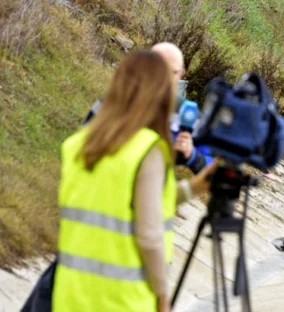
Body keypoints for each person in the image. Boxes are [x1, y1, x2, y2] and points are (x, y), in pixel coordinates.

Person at [52, 50, 218, 312]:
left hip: (70, 295)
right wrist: (163, 296)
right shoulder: (146, 150)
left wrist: (193, 187)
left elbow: (121, 203)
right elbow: (150, 236)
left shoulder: (77, 145)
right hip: (122, 300)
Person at [83, 42, 211, 174]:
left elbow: (212, 167)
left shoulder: (189, 115)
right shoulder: (116, 100)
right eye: (156, 69)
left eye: (170, 71)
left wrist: (192, 155)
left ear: (181, 75)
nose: (162, 77)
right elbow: (84, 139)